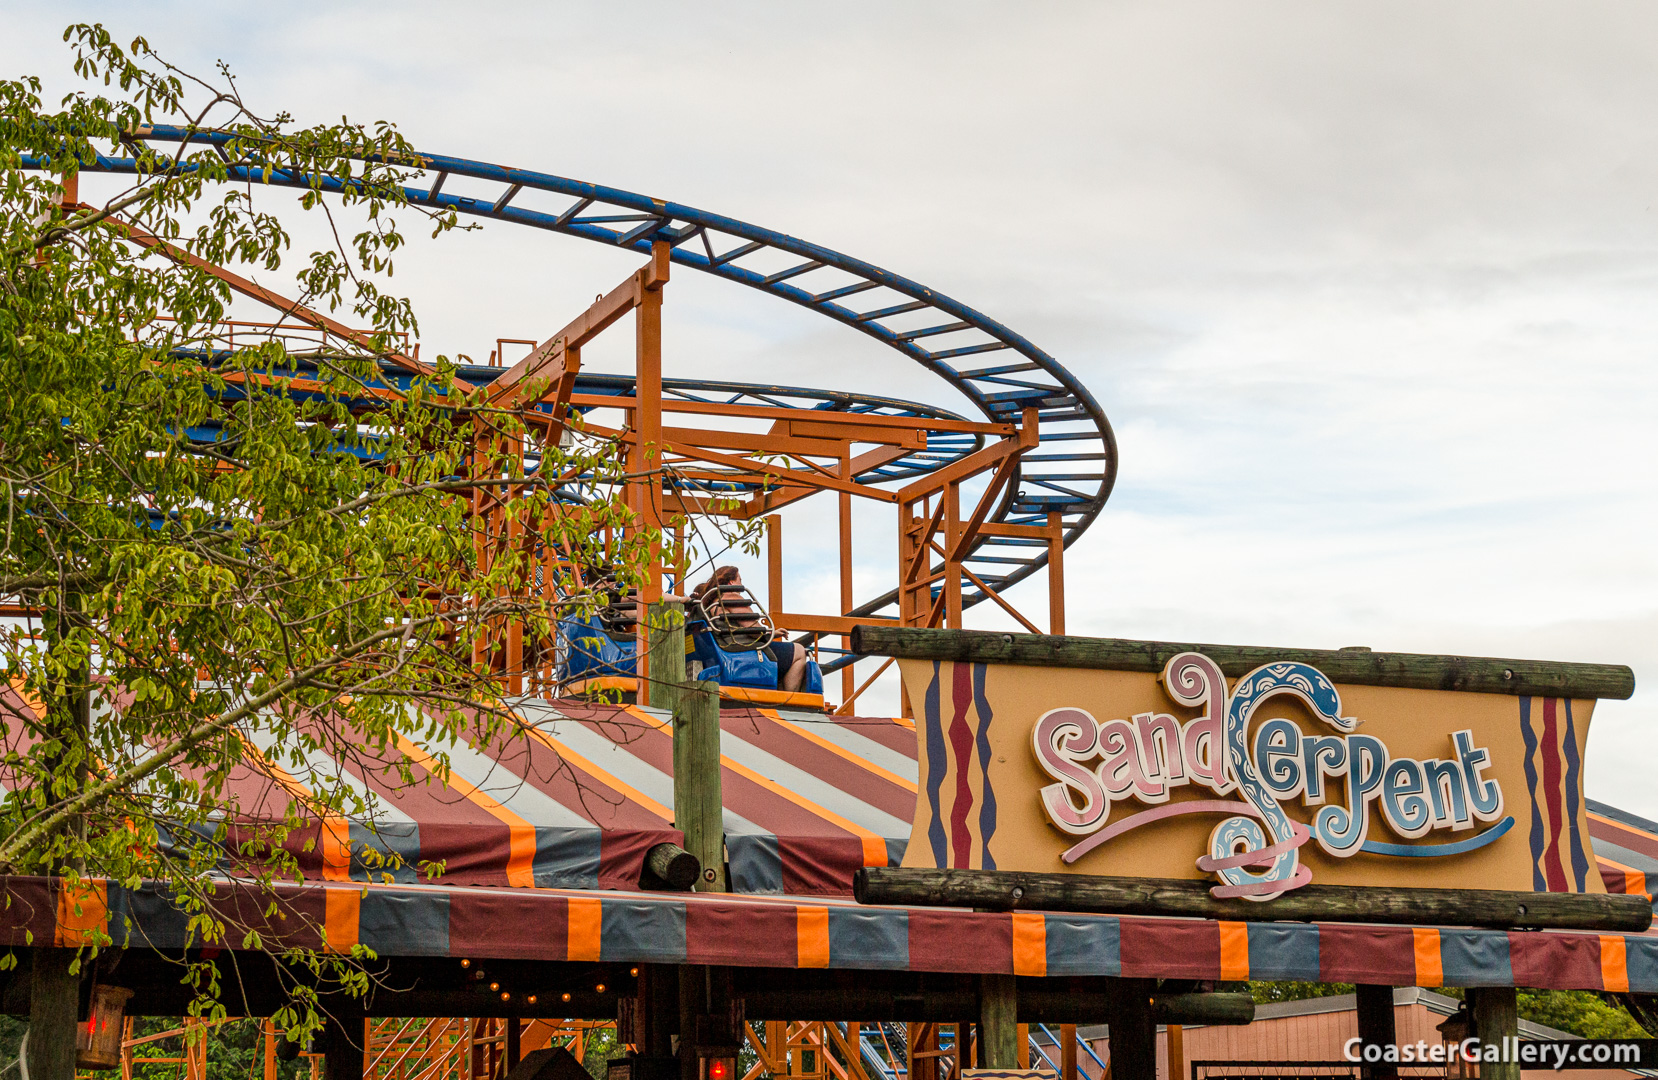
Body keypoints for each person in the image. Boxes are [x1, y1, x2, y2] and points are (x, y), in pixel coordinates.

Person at [690, 566, 808, 692]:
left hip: (726, 646)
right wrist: (769, 633)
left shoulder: (710, 603)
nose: (741, 584)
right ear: (731, 582)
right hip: (743, 649)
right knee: (799, 651)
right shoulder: (730, 596)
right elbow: (753, 630)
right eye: (740, 580)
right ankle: (790, 698)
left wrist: (772, 633)